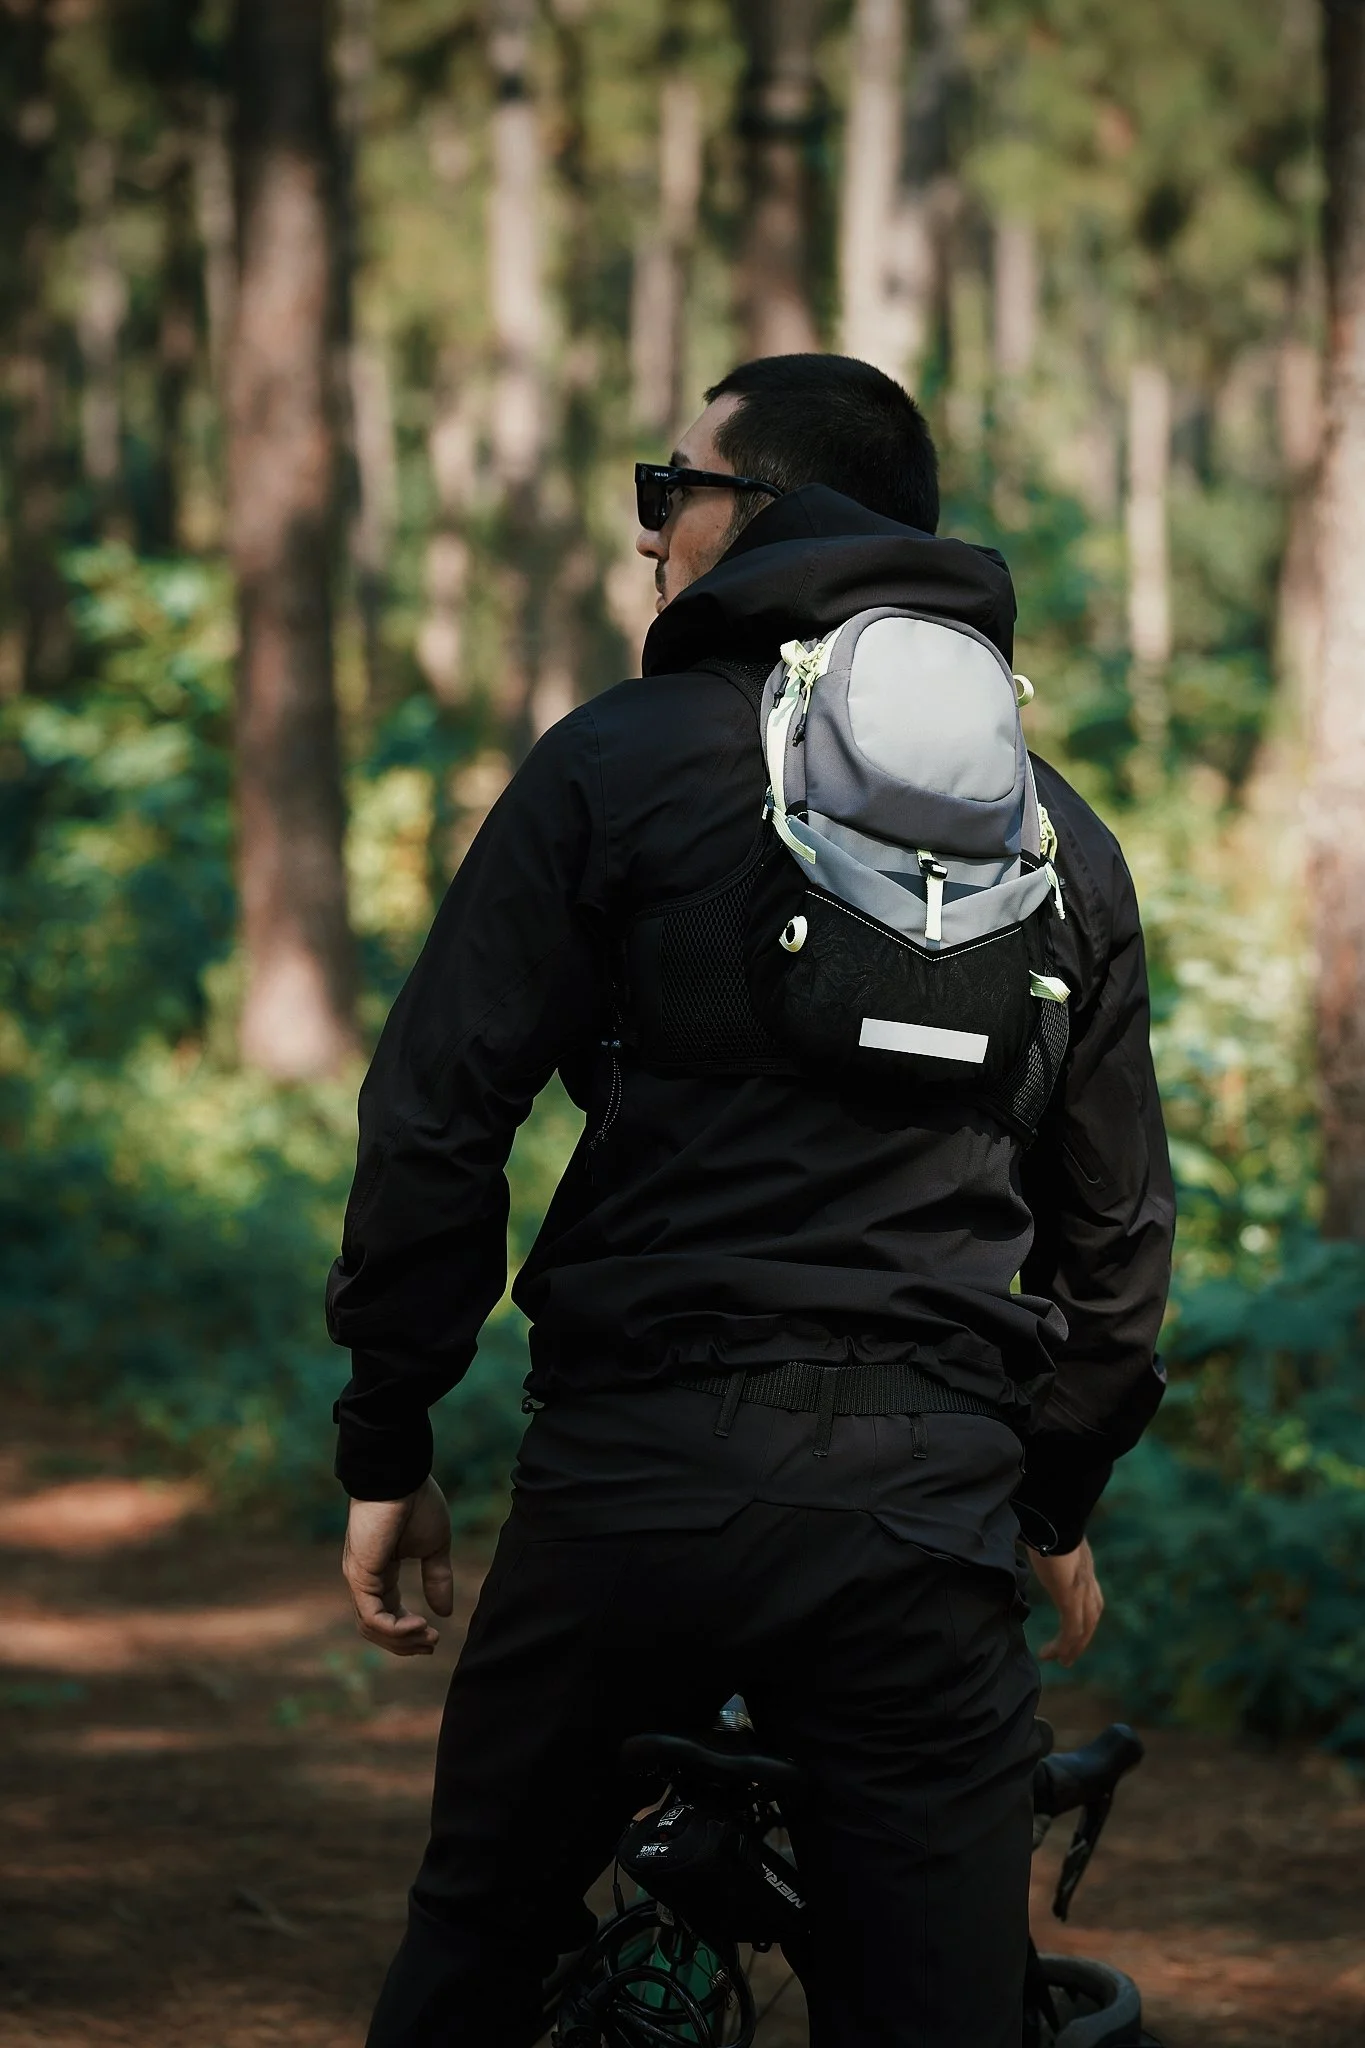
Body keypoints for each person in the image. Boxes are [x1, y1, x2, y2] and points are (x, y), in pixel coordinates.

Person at [327, 353, 1174, 2048]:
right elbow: (1120, 1246)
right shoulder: (1057, 841)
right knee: (935, 2011)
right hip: (921, 1516)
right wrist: (1052, 1491)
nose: (650, 540)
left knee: (481, 1942)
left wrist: (389, 1440)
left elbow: (437, 1116)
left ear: (765, 513)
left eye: (669, 492)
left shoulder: (617, 765)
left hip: (632, 1486)